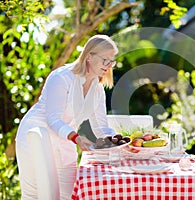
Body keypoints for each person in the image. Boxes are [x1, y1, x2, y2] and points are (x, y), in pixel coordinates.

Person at [15, 34, 118, 199]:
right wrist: (75, 137)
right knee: (34, 195)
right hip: (35, 135)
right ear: (89, 56)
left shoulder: (97, 89)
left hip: (66, 141)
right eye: (105, 60)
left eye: (112, 61)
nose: (109, 66)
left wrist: (121, 143)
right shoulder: (61, 77)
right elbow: (53, 118)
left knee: (70, 195)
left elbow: (101, 128)